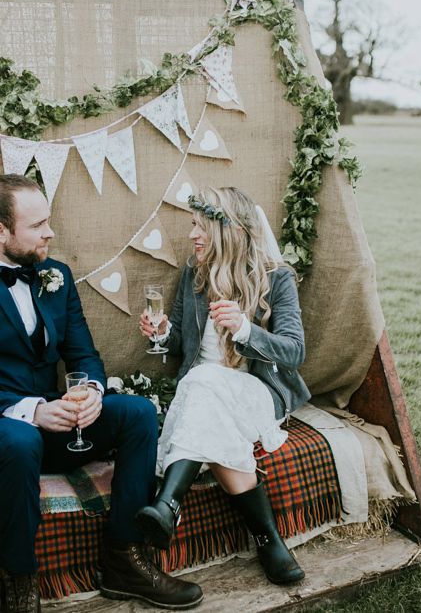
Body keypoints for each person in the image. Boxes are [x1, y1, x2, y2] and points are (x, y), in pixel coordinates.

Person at [0, 175, 202, 613]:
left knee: (137, 414)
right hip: (9, 434)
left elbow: (83, 354)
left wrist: (90, 391)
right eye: (38, 225)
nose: (50, 232)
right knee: (18, 440)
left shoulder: (56, 276)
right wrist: (31, 412)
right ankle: (17, 581)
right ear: (2, 231)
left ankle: (124, 559)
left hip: (57, 427)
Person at [137, 186, 311, 586]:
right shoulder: (193, 274)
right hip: (202, 394)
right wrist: (162, 333)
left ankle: (168, 503)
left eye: (200, 226)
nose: (193, 235)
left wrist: (246, 329)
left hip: (255, 392)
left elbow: (294, 351)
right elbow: (181, 340)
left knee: (203, 380)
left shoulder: (276, 278)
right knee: (203, 384)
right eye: (192, 226)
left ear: (227, 230)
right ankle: (268, 538)